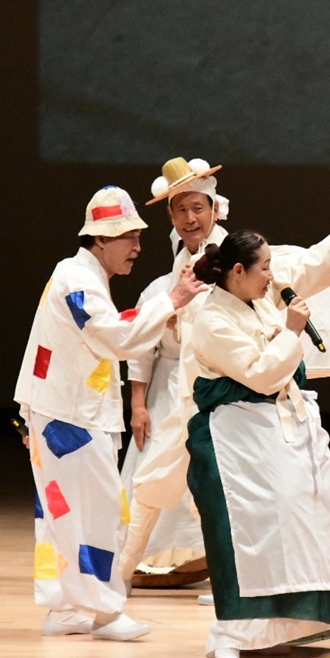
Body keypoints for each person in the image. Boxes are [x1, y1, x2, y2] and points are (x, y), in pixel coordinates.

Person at [185, 177, 330, 658]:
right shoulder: (211, 318)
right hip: (237, 440)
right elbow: (259, 375)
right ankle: (232, 633)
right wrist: (292, 331)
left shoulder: (262, 297)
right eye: (264, 269)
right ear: (237, 271)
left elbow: (317, 261)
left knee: (299, 525)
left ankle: (280, 628)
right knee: (250, 534)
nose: (272, 276)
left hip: (280, 432)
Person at [14, 186, 201, 641]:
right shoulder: (77, 280)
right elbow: (115, 335)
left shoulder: (80, 277)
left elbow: (115, 332)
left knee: (67, 513)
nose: (138, 246)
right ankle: (103, 612)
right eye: (128, 238)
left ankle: (68, 608)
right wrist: (171, 301)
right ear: (100, 240)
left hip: (64, 411)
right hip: (70, 418)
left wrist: (159, 314)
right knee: (94, 511)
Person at [120, 158, 224, 585]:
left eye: (198, 208)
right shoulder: (159, 288)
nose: (190, 218)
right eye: (181, 209)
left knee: (210, 480)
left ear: (214, 210)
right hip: (166, 394)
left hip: (214, 390)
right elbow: (142, 349)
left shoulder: (231, 273)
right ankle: (132, 562)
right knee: (149, 478)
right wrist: (139, 405)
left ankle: (215, 561)